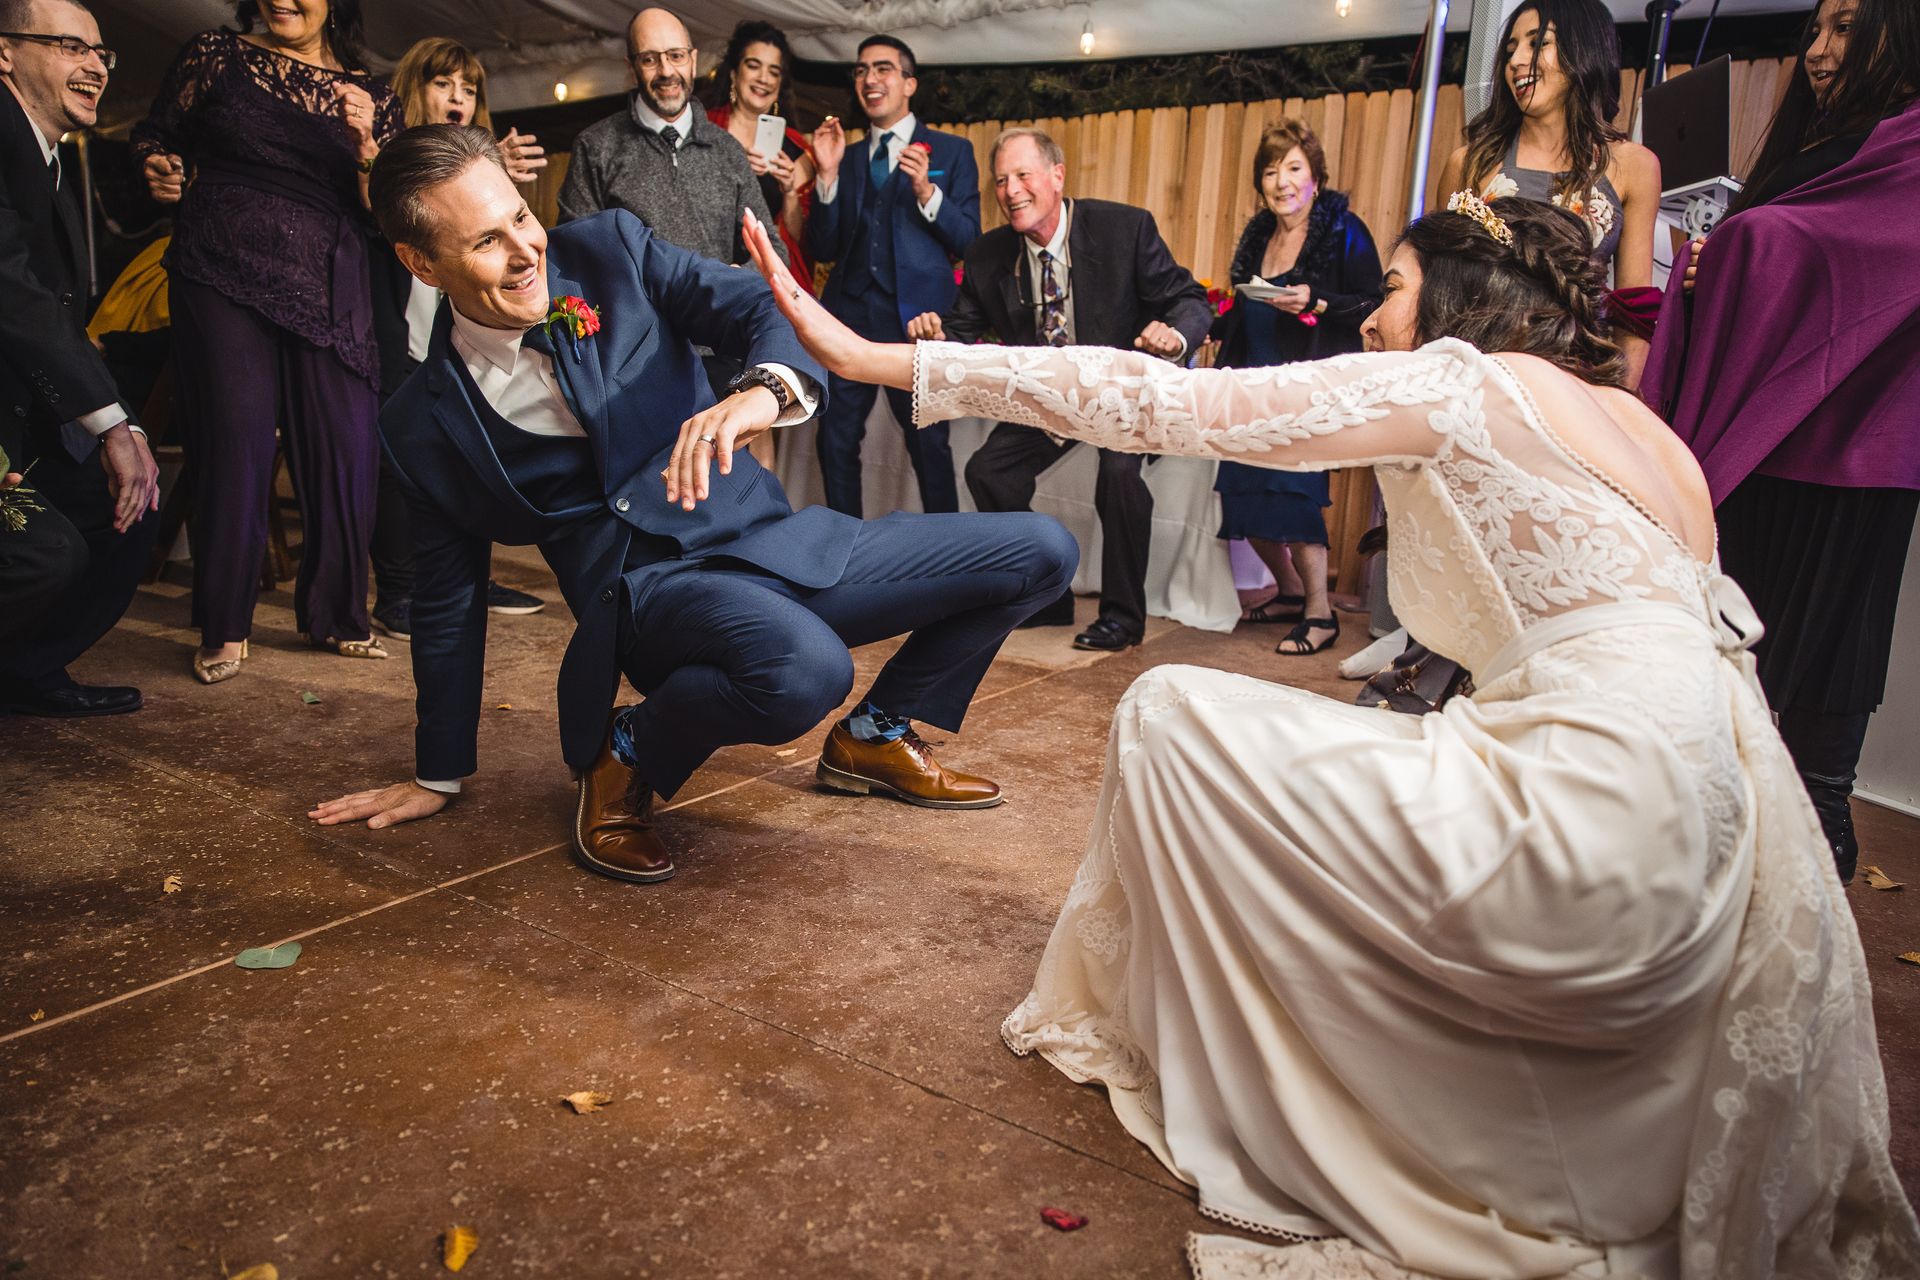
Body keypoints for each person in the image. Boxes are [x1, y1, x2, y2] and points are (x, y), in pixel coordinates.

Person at [740, 197, 1919, 1278]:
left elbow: (1164, 401)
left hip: (1585, 822)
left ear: (1462, 301)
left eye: (1397, 284)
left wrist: (882, 359)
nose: (1376, 310)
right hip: (1713, 848)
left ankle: (1282, 1070)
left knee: (1167, 712)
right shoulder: (1646, 431)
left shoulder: (1461, 381)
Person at [309, 128, 1076, 892]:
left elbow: (761, 311)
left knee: (1042, 549)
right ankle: (629, 751)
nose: (523, 250)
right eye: (485, 240)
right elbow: (447, 602)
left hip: (779, 542)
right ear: (420, 263)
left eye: (519, 216)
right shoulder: (419, 423)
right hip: (649, 597)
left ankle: (874, 737)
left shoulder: (613, 251)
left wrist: (760, 393)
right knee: (807, 670)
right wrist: (436, 773)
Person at [1644, 0, 1920, 886]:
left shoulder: (1909, 150)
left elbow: (1850, 263)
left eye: (1845, 27)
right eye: (1818, 30)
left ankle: (1820, 866)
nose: (1821, 51)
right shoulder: (1819, 149)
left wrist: (1733, 250)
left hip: (1855, 453)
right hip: (1769, 447)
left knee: (1826, 680)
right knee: (1743, 668)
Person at [132, 0, 401, 684]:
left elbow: (390, 212)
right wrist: (160, 165)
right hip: (221, 259)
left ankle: (339, 616)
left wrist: (370, 148)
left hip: (329, 275)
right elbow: (154, 134)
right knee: (236, 436)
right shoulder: (215, 55)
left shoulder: (373, 93)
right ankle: (224, 624)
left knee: (348, 441)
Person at [906, 127, 1209, 652]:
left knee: (1118, 475)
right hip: (1049, 398)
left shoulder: (1124, 228)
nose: (1011, 190)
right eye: (1001, 180)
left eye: (1023, 175)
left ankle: (1123, 617)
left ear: (1056, 176)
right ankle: (1048, 597)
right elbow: (961, 329)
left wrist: (1174, 334)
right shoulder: (987, 254)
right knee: (988, 471)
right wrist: (934, 335)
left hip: (1116, 391)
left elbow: (1189, 299)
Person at [0, 0, 160, 717]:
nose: (95, 65)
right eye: (70, 46)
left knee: (130, 507)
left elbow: (61, 314)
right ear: (5, 54)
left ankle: (23, 674)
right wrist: (110, 426)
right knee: (48, 554)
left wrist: (125, 429)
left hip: (25, 423)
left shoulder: (58, 158)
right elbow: (16, 295)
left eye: (102, 53)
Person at [366, 35, 549, 640]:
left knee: (466, 451)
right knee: (404, 459)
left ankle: (468, 577)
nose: (458, 96)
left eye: (469, 87)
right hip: (392, 331)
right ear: (414, 88)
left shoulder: (484, 164)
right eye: (443, 83)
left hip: (450, 330)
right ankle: (398, 592)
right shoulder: (382, 163)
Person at [1208, 119, 1382, 657]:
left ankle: (1319, 611)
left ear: (1315, 175)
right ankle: (1286, 592)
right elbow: (1241, 302)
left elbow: (1374, 303)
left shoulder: (1343, 229)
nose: (1281, 181)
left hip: (1307, 387)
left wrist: (1317, 301)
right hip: (1250, 384)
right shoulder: (1259, 234)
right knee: (1240, 497)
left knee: (1296, 500)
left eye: (1293, 168)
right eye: (1269, 170)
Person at [1437, 0, 1659, 384]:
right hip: (1481, 375)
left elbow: (1634, 313)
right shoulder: (1469, 163)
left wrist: (1622, 403)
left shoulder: (1634, 166)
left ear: (1584, 49)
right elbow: (1437, 285)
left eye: (1538, 44)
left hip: (1580, 380)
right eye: (1510, 50)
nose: (1516, 61)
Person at [805, 34, 979, 517]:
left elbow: (970, 242)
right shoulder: (850, 156)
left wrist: (926, 192)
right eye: (861, 71)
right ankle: (850, 552)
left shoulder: (953, 152)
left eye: (882, 68)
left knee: (930, 447)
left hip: (918, 326)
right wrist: (826, 177)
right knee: (835, 441)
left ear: (908, 83)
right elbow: (822, 247)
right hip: (851, 318)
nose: (869, 79)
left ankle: (946, 553)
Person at [708, 20, 815, 298]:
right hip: (712, 268)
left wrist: (790, 192)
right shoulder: (703, 130)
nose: (764, 78)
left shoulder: (795, 148)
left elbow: (802, 239)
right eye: (754, 65)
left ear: (781, 83)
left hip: (773, 280)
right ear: (734, 73)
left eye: (774, 71)